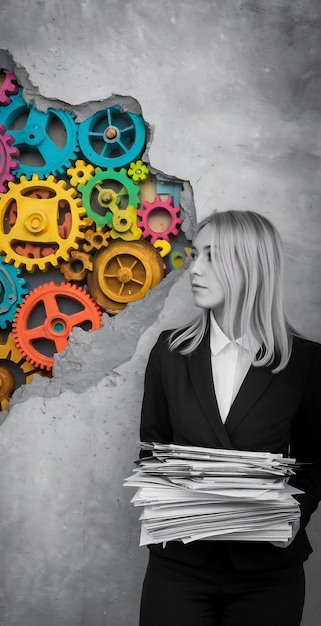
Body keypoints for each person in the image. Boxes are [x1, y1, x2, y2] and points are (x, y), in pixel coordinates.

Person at [139, 210, 321, 626]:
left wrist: (295, 513)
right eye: (195, 254)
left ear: (250, 267)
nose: (194, 268)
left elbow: (315, 460)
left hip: (267, 574)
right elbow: (152, 450)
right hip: (180, 566)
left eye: (212, 256)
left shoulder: (305, 363)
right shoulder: (169, 352)